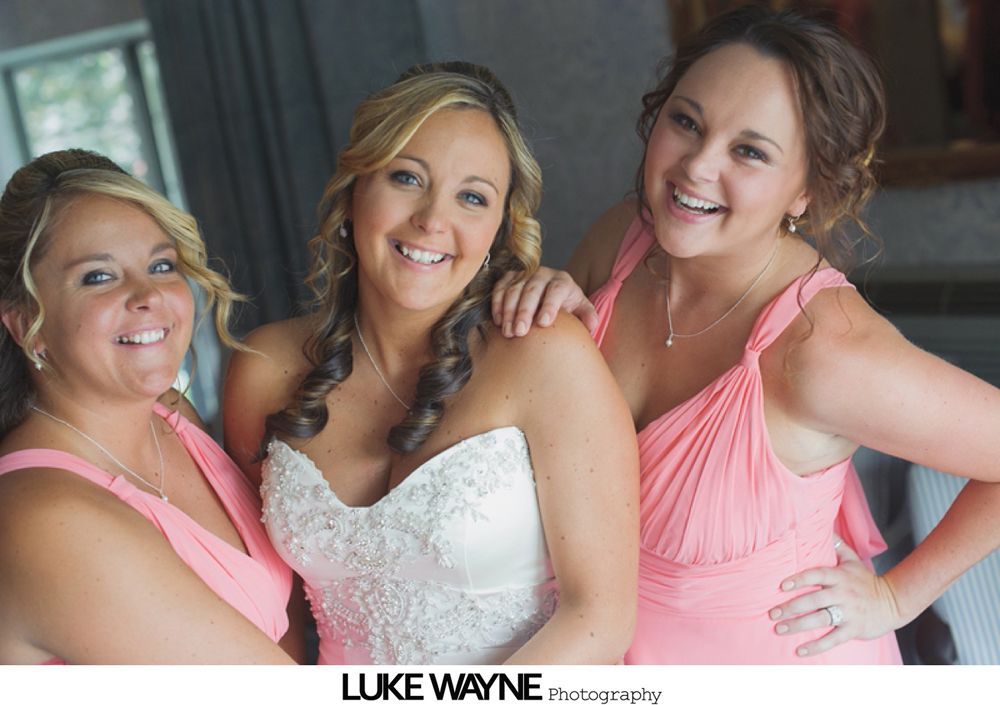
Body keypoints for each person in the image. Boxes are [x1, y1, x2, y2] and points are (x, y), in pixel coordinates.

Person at [492, 5, 1000, 664]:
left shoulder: (824, 351)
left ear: (807, 191)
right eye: (686, 121)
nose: (697, 167)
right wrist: (551, 306)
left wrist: (896, 598)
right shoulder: (622, 237)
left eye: (750, 150)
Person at [223, 62, 638, 665]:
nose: (432, 220)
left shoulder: (544, 356)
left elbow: (600, 619)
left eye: (472, 196)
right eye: (406, 178)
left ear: (499, 228)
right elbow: (269, 608)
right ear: (353, 192)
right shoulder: (262, 370)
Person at [0, 149, 297, 664]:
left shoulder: (170, 414)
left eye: (161, 265)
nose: (148, 294)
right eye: (99, 276)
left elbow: (276, 626)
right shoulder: (48, 521)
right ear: (28, 325)